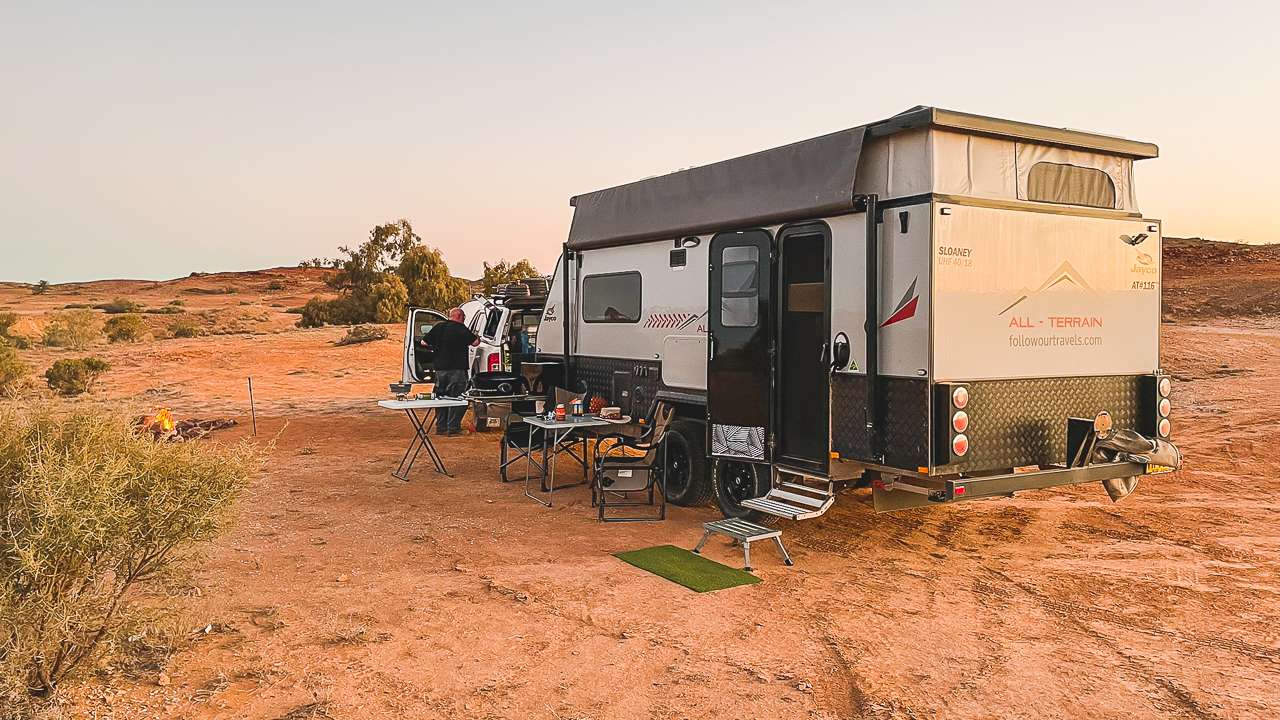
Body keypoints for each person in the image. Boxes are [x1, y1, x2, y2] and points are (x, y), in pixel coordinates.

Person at [423, 308, 479, 435]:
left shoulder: (439, 327)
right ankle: (453, 428)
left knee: (441, 398)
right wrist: (477, 336)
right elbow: (475, 343)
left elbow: (423, 342)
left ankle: (441, 427)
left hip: (440, 370)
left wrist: (436, 347)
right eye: (464, 317)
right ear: (459, 316)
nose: (464, 319)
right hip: (457, 370)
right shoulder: (461, 329)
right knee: (458, 398)